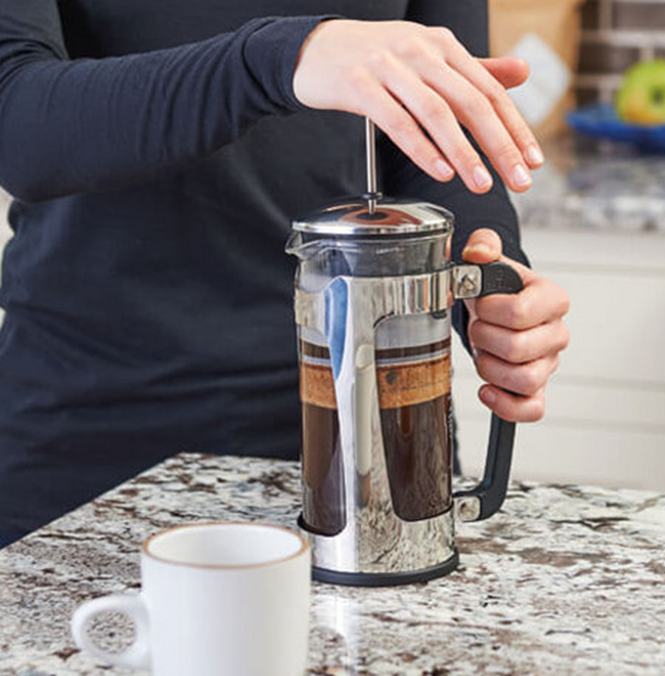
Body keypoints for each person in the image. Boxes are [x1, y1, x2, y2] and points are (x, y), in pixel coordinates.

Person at [0, 1, 569, 547]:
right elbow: (16, 122)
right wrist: (278, 58)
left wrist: (486, 275)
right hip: (84, 432)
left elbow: (438, 134)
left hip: (363, 434)